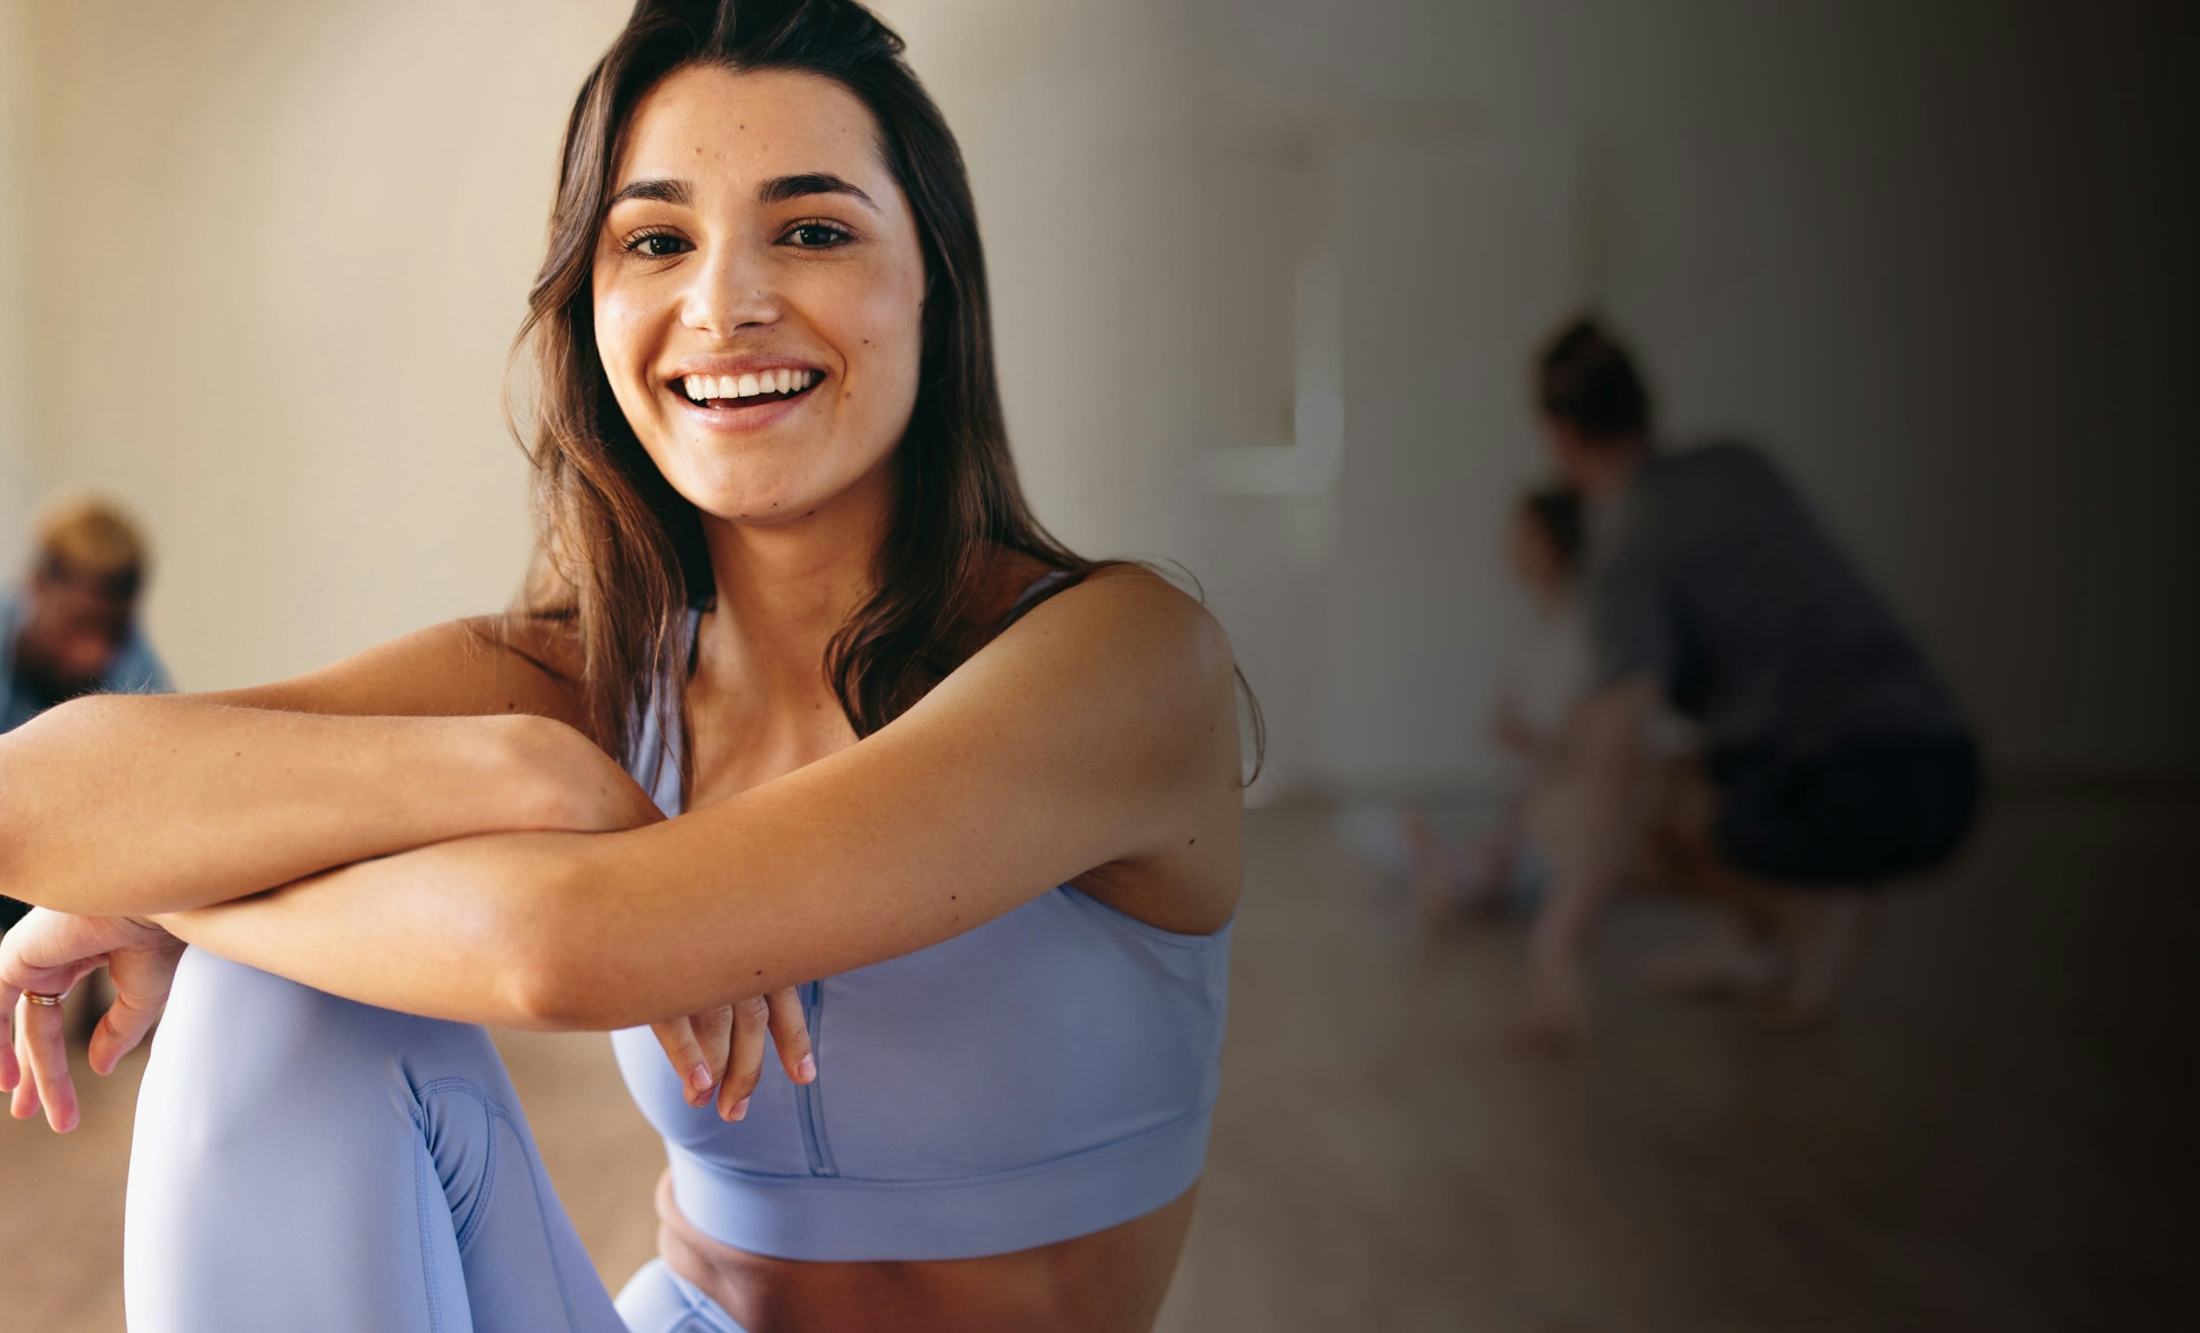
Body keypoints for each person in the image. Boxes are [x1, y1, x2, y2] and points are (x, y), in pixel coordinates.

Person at [0, 3, 1249, 1330]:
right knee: (273, 1001)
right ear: (592, 303)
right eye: (656, 240)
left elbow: (567, 946)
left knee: (257, 938)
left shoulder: (1126, 661)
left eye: (814, 229)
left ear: (929, 275)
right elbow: (35, 791)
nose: (728, 304)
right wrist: (518, 763)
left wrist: (179, 891)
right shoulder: (580, 682)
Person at [1517, 316, 1979, 1040]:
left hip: (1840, 789)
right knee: (1714, 762)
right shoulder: (1738, 463)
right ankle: (1756, 949)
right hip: (1949, 774)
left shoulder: (1625, 547)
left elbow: (1615, 753)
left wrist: (1555, 943)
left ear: (1560, 433)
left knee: (1563, 804)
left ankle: (1809, 912)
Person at [0, 493, 171, 936]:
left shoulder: (144, 688)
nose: (93, 654)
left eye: (113, 631)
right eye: (79, 624)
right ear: (37, 583)